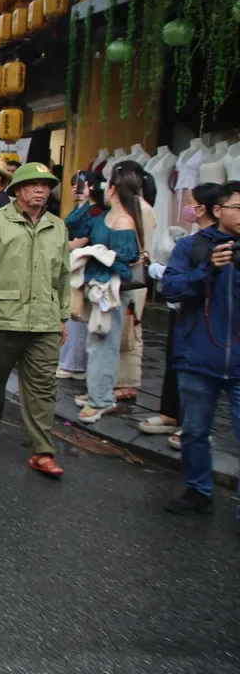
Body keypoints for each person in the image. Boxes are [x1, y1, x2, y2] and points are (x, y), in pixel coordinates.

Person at [0, 163, 71, 477]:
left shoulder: (57, 227)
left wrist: (62, 316)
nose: (41, 190)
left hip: (44, 320)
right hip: (3, 318)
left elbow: (63, 275)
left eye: (46, 185)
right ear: (18, 190)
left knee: (43, 387)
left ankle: (42, 451)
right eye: (34, 184)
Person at [160, 180, 240, 519]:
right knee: (194, 431)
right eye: (239, 207)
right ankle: (198, 490)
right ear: (218, 210)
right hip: (198, 357)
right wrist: (207, 269)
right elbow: (170, 288)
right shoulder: (192, 246)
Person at [66, 165, 144, 424]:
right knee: (96, 343)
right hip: (98, 290)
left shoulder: (123, 222)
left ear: (112, 189)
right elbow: (74, 225)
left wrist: (99, 256)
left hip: (110, 292)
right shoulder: (107, 216)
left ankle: (101, 399)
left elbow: (125, 263)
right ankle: (97, 393)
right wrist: (83, 201)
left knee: (104, 345)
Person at [143, 182, 220, 443]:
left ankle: (195, 426)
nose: (187, 207)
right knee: (176, 361)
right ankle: (172, 414)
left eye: (191, 203)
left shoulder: (219, 242)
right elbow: (176, 283)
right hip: (183, 310)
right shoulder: (190, 241)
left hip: (209, 315)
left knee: (201, 371)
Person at [111, 160, 159, 405]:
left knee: (131, 330)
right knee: (121, 328)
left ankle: (128, 383)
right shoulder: (135, 206)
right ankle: (115, 380)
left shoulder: (140, 208)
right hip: (128, 274)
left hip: (134, 276)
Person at [56, 170, 106, 380]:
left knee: (76, 314)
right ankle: (71, 363)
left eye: (81, 184)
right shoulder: (79, 209)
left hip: (83, 266)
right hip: (73, 264)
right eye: (74, 185)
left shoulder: (94, 212)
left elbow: (81, 241)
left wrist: (56, 242)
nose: (76, 189)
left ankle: (73, 365)